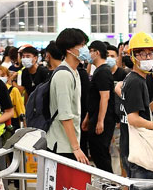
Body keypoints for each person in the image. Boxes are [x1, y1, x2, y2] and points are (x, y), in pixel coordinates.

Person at [119, 32, 153, 179]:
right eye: (142, 54)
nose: (148, 58)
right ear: (133, 58)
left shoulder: (133, 78)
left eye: (150, 54)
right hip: (138, 150)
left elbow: (140, 110)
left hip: (130, 146)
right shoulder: (136, 82)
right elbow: (133, 119)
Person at [47, 28, 89, 163]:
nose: (85, 49)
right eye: (82, 45)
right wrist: (76, 148)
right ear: (69, 49)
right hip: (62, 145)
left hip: (69, 142)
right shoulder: (64, 75)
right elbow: (65, 115)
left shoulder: (74, 72)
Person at [82, 40, 117, 172]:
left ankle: (111, 183)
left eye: (90, 51)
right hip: (94, 116)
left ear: (96, 53)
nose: (88, 54)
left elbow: (104, 97)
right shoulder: (98, 71)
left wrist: (100, 121)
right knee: (97, 154)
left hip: (103, 119)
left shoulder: (103, 72)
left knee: (101, 154)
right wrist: (88, 117)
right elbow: (94, 99)